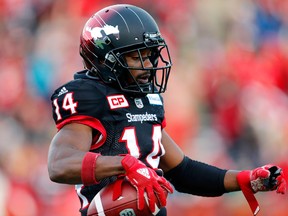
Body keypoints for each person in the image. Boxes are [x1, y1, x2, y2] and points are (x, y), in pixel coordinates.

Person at [47, 4, 286, 216]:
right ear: (105, 59)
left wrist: (244, 179)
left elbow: (183, 171)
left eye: (150, 55)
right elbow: (59, 163)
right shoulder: (88, 96)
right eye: (135, 57)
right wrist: (126, 164)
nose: (148, 65)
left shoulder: (147, 101)